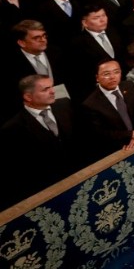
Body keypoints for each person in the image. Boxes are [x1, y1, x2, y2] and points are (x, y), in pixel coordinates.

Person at [0, 75, 80, 210]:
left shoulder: (64, 105)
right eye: (45, 89)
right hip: (48, 195)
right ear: (28, 97)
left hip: (79, 180)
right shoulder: (13, 128)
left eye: (52, 86)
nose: (53, 91)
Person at [79, 59, 134, 164]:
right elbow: (101, 134)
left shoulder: (129, 86)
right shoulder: (90, 104)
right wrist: (130, 135)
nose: (112, 77)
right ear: (97, 78)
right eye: (106, 74)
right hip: (118, 150)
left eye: (116, 72)